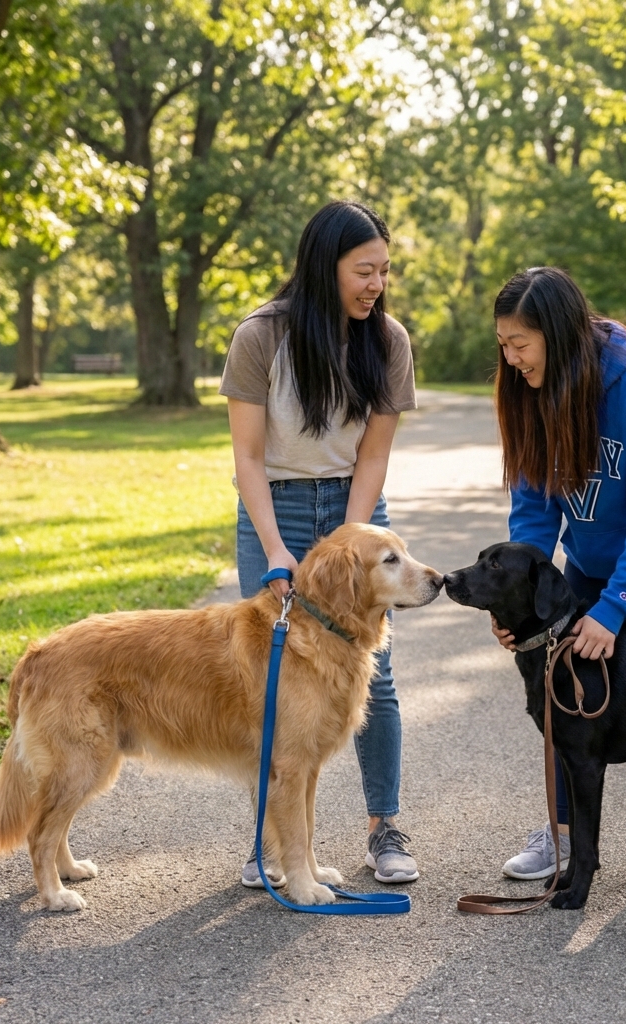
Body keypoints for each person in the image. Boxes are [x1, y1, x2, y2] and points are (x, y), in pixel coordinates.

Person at [491, 267, 626, 895]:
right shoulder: (530, 392)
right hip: (588, 555)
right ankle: (561, 835)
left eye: (520, 345)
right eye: (503, 345)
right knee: (567, 690)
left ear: (556, 336)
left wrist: (615, 609)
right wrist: (519, 603)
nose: (510, 359)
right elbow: (533, 513)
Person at [219, 200, 419, 886]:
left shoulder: (387, 340)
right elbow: (248, 458)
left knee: (374, 672)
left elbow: (373, 456)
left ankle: (384, 826)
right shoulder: (260, 338)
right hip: (273, 507)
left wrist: (346, 544)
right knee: (270, 679)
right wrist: (278, 549)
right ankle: (268, 845)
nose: (376, 284)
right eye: (364, 270)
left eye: (384, 271)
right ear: (323, 266)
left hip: (352, 505)